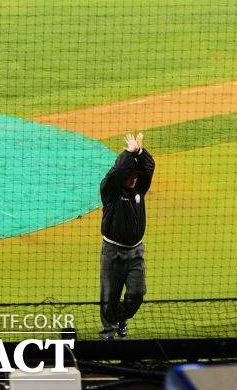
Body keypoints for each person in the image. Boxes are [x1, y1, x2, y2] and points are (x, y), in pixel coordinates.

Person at [99, 132, 155, 340]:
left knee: (137, 294)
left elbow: (149, 167)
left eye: (135, 176)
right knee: (109, 296)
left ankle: (119, 318)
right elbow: (115, 173)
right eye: (129, 176)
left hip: (136, 252)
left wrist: (139, 152)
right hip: (112, 252)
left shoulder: (139, 188)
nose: (133, 179)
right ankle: (108, 333)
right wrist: (127, 153)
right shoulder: (110, 191)